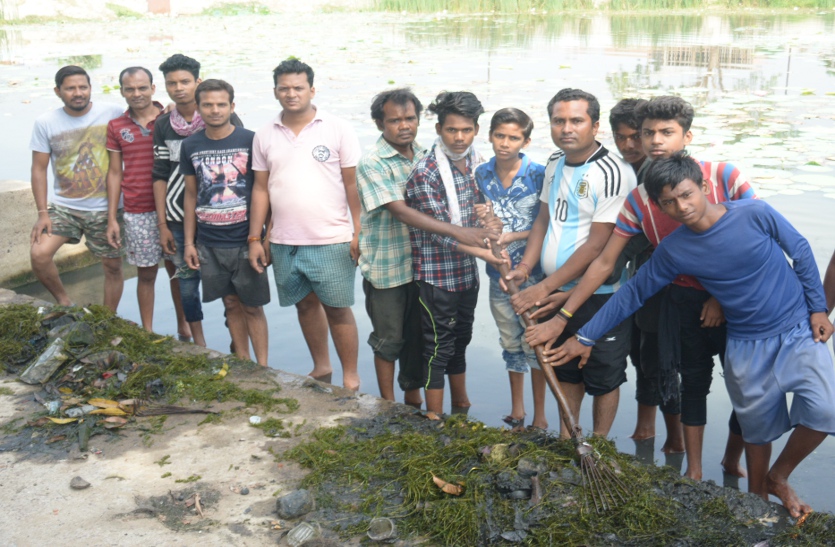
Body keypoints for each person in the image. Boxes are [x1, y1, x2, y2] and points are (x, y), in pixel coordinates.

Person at [548, 152, 835, 518]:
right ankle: (757, 502)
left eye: (687, 194)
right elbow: (633, 293)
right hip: (746, 343)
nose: (681, 207)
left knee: (826, 410)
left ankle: (779, 476)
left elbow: (801, 251)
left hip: (796, 328)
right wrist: (585, 337)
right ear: (659, 206)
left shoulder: (754, 213)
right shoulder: (675, 249)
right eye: (669, 202)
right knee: (757, 431)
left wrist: (818, 308)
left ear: (703, 187)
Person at [528, 96, 751, 480]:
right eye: (647, 133)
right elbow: (611, 257)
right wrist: (570, 302)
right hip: (670, 291)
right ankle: (690, 467)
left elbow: (757, 239)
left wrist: (720, 296)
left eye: (665, 132)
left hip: (734, 296)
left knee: (746, 385)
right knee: (680, 373)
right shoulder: (640, 196)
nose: (652, 141)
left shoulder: (721, 176)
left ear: (687, 136)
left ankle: (733, 461)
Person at [506, 88, 637, 437]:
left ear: (595, 126)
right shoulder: (554, 162)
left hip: (600, 294)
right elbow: (543, 220)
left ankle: (598, 443)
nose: (566, 128)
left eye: (576, 120)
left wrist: (542, 288)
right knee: (564, 366)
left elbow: (596, 246)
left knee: (604, 374)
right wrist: (525, 268)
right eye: (559, 120)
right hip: (553, 289)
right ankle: (569, 440)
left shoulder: (614, 171)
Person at [249, 59, 361, 389]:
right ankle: (321, 367)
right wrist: (256, 237)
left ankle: (351, 377)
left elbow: (352, 184)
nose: (291, 94)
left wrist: (359, 231)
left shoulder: (337, 128)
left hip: (331, 237)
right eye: (284, 88)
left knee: (338, 308)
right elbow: (261, 189)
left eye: (298, 87)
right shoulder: (265, 134)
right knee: (305, 305)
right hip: (285, 240)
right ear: (275, 92)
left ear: (312, 90)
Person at [405, 91, 504, 416]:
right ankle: (434, 416)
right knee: (438, 348)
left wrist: (491, 223)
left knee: (461, 340)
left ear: (476, 129)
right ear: (438, 129)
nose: (459, 137)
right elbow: (437, 232)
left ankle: (461, 404)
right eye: (451, 130)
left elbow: (486, 211)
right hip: (436, 278)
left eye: (466, 130)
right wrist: (484, 254)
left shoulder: (480, 165)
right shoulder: (427, 171)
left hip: (465, 275)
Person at [153, 54, 242, 347]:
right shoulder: (163, 124)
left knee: (231, 287)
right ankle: (199, 345)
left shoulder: (223, 117)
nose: (178, 88)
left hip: (221, 216)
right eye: (171, 83)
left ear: (198, 82)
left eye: (185, 81)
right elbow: (160, 174)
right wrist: (163, 224)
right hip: (179, 217)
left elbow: (242, 170)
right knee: (187, 283)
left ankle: (237, 342)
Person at [180, 79, 270, 366]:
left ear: (232, 106)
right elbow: (191, 195)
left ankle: (263, 366)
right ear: (198, 108)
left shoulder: (251, 140)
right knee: (230, 303)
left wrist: (261, 239)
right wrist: (190, 243)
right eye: (207, 105)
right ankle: (243, 362)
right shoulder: (190, 145)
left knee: (252, 307)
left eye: (221, 104)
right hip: (209, 241)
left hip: (245, 239)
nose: (215, 110)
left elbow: (263, 190)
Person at [29, 65, 125, 310]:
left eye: (83, 87)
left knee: (113, 267)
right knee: (39, 255)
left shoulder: (113, 112)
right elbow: (38, 169)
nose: (78, 93)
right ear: (58, 91)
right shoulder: (46, 122)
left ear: (91, 88)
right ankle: (65, 303)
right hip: (65, 208)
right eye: (70, 88)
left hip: (106, 208)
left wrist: (165, 107)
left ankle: (108, 318)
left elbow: (145, 116)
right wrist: (42, 213)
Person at [473, 108, 546, 431]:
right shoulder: (481, 174)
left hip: (535, 275)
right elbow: (481, 223)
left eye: (513, 138)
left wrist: (512, 236)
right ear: (489, 136)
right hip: (497, 274)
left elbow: (547, 225)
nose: (505, 143)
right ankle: (518, 409)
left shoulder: (539, 175)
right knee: (510, 341)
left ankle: (540, 415)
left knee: (535, 342)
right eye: (499, 136)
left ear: (525, 142)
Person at [105, 67, 165, 332]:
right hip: (137, 209)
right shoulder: (116, 126)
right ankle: (148, 330)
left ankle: (185, 329)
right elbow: (115, 172)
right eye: (130, 89)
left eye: (142, 87)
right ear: (122, 92)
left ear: (153, 88)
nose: (137, 93)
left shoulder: (169, 118)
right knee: (146, 273)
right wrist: (112, 218)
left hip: (172, 208)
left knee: (179, 271)